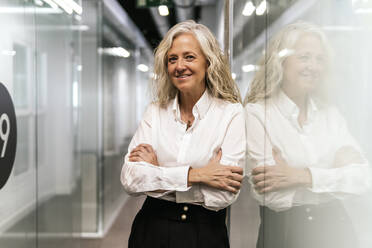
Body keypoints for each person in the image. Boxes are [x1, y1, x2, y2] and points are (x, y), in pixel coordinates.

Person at [244, 22, 371, 248]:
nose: (313, 66)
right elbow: (272, 196)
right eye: (304, 57)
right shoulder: (257, 114)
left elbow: (362, 178)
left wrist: (302, 176)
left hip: (335, 229)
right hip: (284, 232)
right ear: (281, 60)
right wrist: (334, 173)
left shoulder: (330, 115)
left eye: (319, 59)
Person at [121, 20, 246, 248]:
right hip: (151, 230)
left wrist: (158, 172)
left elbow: (223, 196)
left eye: (189, 57)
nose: (179, 66)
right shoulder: (155, 111)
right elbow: (131, 179)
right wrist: (197, 175)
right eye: (172, 59)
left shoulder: (231, 113)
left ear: (208, 62)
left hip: (206, 233)